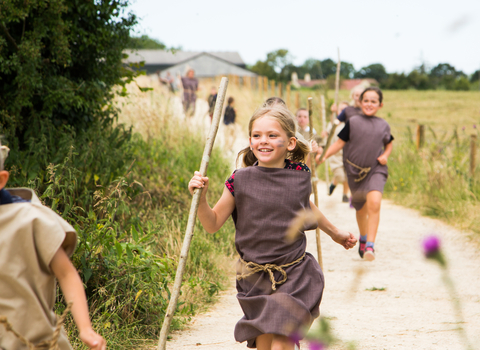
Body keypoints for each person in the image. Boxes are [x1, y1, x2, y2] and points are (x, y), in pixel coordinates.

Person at [188, 104, 356, 350]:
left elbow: (305, 206)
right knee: (266, 345)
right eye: (257, 136)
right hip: (255, 278)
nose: (263, 141)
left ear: (289, 143)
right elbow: (212, 224)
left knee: (281, 344)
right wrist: (200, 199)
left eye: (272, 135)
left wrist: (335, 233)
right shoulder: (239, 180)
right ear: (250, 140)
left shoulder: (299, 175)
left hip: (295, 273)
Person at [0, 143, 106, 350]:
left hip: (34, 342)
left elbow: (66, 274)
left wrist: (85, 329)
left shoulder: (30, 220)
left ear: (1, 179)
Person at [317, 87, 393, 262]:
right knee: (360, 208)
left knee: (374, 203)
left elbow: (389, 143)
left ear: (380, 105)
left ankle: (370, 246)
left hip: (376, 169)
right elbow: (339, 143)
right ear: (359, 102)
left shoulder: (383, 125)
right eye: (366, 100)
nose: (369, 104)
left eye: (373, 101)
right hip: (354, 172)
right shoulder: (353, 122)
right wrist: (324, 155)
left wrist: (385, 155)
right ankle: (363, 237)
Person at [319, 101, 350, 203]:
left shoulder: (349, 124)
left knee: (347, 175)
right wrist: (325, 134)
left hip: (346, 154)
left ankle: (345, 194)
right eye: (341, 110)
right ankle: (334, 182)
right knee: (341, 175)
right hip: (335, 154)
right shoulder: (334, 123)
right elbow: (329, 132)